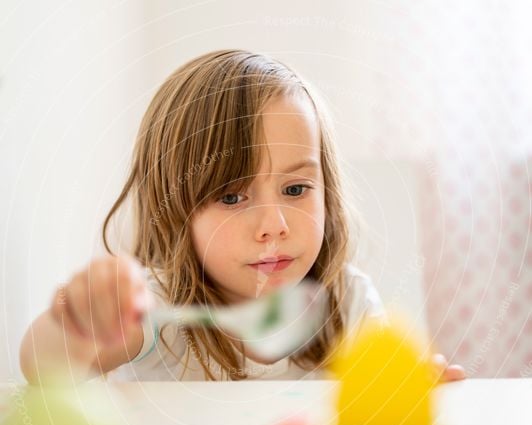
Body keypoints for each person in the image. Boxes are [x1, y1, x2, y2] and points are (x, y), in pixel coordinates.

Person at [20, 49, 465, 384]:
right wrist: (81, 323)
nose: (275, 224)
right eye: (232, 197)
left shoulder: (347, 301)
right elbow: (43, 366)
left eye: (295, 190)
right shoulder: (158, 310)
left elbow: (377, 397)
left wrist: (406, 389)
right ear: (173, 210)